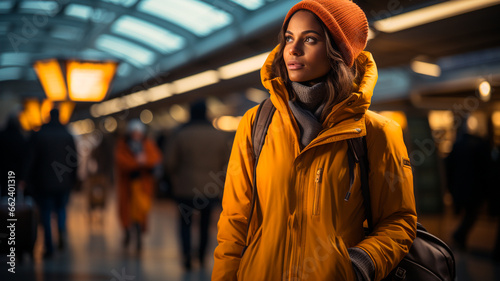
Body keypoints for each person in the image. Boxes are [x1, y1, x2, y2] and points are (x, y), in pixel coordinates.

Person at [212, 1, 417, 280]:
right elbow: (234, 223)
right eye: (288, 38)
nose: (293, 50)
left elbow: (399, 220)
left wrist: (360, 263)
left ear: (338, 52)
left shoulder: (377, 133)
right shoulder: (255, 124)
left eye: (310, 39)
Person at [165, 100, 231, 270]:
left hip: (185, 188)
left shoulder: (181, 134)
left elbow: (170, 162)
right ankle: (201, 257)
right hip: (210, 188)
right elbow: (227, 163)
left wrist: (174, 178)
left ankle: (187, 256)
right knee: (205, 224)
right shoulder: (219, 135)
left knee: (185, 222)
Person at [26, 109, 78, 258]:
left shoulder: (39, 134)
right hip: (64, 181)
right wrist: (73, 179)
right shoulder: (67, 135)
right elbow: (74, 159)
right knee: (61, 209)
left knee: (46, 213)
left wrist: (27, 179)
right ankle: (61, 229)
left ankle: (49, 246)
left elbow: (31, 159)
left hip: (44, 182)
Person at [115, 119, 162, 252]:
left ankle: (138, 237)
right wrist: (139, 163)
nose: (136, 135)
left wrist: (143, 162)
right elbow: (122, 162)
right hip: (127, 186)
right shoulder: (123, 145)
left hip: (143, 186)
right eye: (134, 133)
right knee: (126, 211)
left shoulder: (148, 144)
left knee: (140, 211)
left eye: (139, 133)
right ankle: (127, 232)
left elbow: (155, 158)